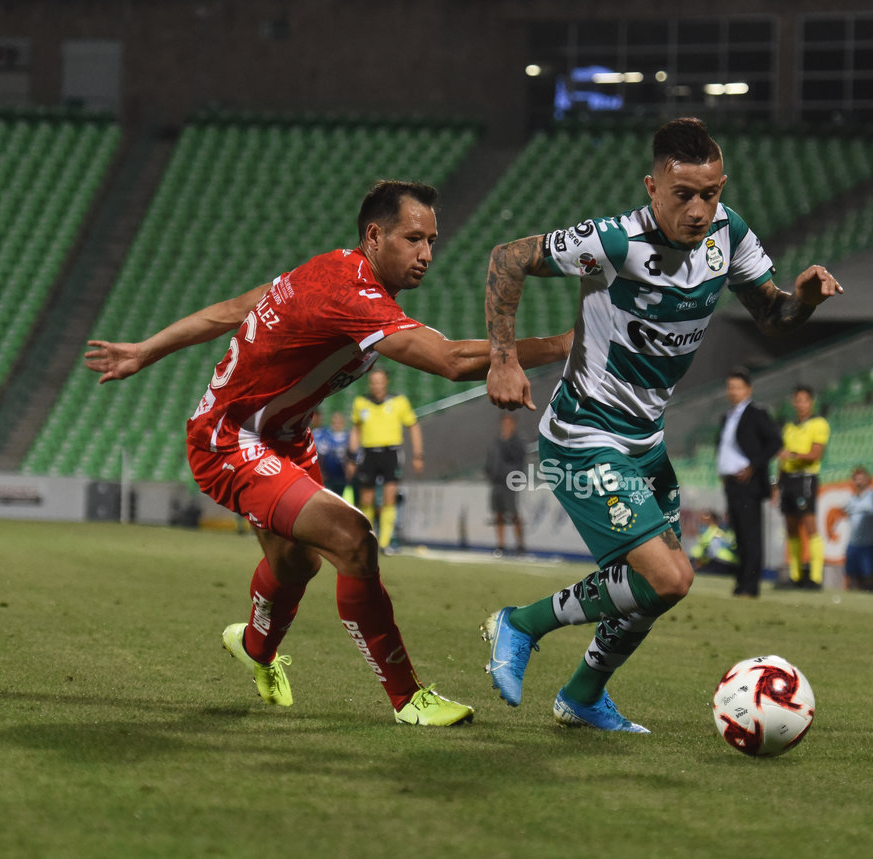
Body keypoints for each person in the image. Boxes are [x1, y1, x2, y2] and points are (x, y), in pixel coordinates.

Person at [84, 180, 572, 725]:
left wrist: (146, 350)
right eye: (414, 239)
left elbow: (232, 310)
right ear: (374, 234)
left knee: (296, 564)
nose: (427, 255)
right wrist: (563, 345)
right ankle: (408, 699)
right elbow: (452, 361)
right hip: (230, 439)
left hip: (286, 439)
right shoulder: (350, 293)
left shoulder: (328, 269)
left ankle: (254, 646)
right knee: (353, 538)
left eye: (432, 241)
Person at [479, 117, 843, 732]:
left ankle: (583, 696)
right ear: (653, 188)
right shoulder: (617, 241)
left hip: (644, 442)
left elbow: (774, 317)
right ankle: (521, 624)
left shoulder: (729, 237)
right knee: (669, 575)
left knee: (660, 587)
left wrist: (803, 298)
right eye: (683, 195)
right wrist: (504, 358)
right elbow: (506, 259)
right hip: (583, 434)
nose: (700, 210)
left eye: (711, 193)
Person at [716, 367, 782, 596]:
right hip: (731, 483)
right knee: (739, 535)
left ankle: (751, 586)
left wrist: (753, 465)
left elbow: (775, 442)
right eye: (730, 387)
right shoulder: (727, 415)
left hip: (749, 483)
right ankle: (740, 582)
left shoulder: (756, 413)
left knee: (751, 535)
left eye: (737, 387)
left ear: (748, 389)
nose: (733, 391)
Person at [349, 367, 420, 552]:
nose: (377, 385)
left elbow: (413, 426)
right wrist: (351, 456)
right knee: (366, 499)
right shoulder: (360, 403)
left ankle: (385, 542)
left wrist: (418, 455)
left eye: (380, 381)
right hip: (369, 453)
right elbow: (356, 430)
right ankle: (367, 540)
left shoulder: (399, 402)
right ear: (370, 384)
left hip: (391, 453)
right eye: (374, 381)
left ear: (386, 382)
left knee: (390, 496)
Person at [778, 384, 831, 589]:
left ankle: (816, 577)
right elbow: (781, 459)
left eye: (804, 400)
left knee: (809, 525)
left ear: (811, 402)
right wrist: (778, 483)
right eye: (797, 400)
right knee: (791, 527)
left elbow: (815, 454)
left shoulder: (819, 424)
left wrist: (791, 455)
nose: (800, 404)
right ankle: (796, 575)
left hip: (805, 478)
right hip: (788, 478)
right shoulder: (789, 426)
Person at [842, 466, 873, 591]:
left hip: (869, 543)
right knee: (851, 575)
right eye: (856, 479)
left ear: (868, 480)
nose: (859, 482)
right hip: (853, 543)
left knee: (869, 575)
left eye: (862, 479)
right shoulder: (851, 499)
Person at [485, 413, 527, 556]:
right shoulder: (496, 441)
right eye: (504, 423)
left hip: (510, 483)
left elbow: (518, 462)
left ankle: (520, 545)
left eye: (509, 423)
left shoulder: (517, 442)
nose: (506, 426)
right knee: (498, 514)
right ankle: (501, 545)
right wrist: (490, 472)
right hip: (496, 482)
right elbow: (490, 459)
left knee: (513, 514)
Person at [309, 411, 350, 500]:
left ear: (343, 423)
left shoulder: (349, 437)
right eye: (335, 421)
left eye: (339, 421)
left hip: (344, 476)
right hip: (328, 476)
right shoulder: (322, 436)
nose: (337, 424)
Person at [688, 511, 739, 576]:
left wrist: (697, 565)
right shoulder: (709, 531)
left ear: (713, 521)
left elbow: (711, 551)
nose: (702, 523)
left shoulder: (716, 532)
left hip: (721, 562)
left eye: (706, 520)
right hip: (712, 561)